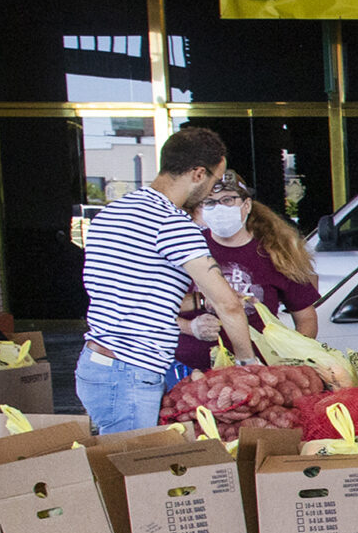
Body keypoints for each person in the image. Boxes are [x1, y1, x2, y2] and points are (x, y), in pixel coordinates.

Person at [76, 125, 258, 433]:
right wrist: (246, 364)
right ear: (198, 174)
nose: (211, 190)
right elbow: (228, 303)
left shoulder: (113, 212)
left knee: (121, 470)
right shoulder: (171, 223)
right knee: (134, 474)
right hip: (130, 373)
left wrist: (199, 301)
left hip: (97, 364)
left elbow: (134, 292)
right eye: (215, 179)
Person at [174, 173, 320, 380]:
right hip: (191, 373)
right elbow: (151, 311)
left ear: (247, 205)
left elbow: (306, 317)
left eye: (227, 200)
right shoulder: (185, 249)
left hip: (258, 375)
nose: (219, 208)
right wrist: (190, 327)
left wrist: (290, 361)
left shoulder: (277, 252)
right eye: (210, 202)